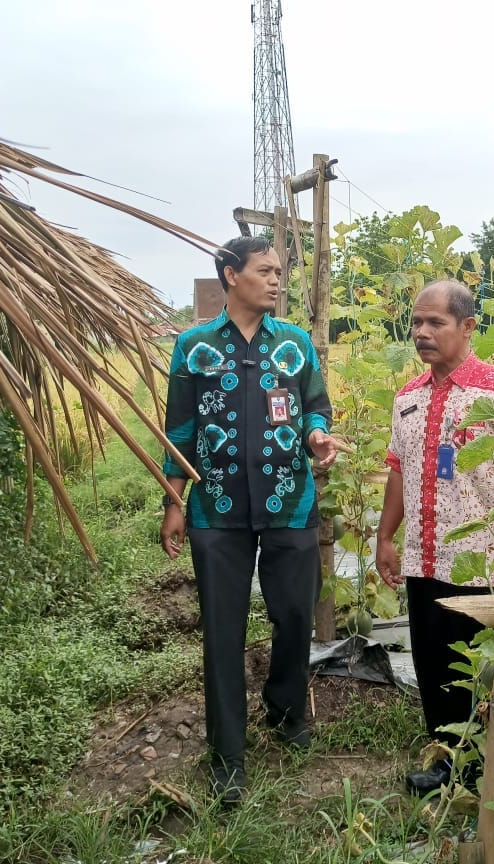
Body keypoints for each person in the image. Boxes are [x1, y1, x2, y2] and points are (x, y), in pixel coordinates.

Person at [159, 236, 345, 804]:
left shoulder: (294, 343)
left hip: (290, 501)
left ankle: (287, 714)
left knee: (293, 615)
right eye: (265, 271)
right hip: (216, 511)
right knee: (222, 629)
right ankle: (228, 755)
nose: (276, 280)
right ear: (230, 274)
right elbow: (180, 430)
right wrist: (173, 503)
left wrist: (316, 434)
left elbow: (316, 404)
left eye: (280, 272)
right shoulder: (193, 348)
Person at [376, 279, 494, 795]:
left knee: (482, 668)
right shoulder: (408, 397)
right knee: (433, 661)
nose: (422, 332)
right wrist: (385, 537)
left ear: (467, 326)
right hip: (424, 557)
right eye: (417, 322)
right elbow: (398, 470)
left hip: (482, 561)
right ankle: (447, 762)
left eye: (435, 322)